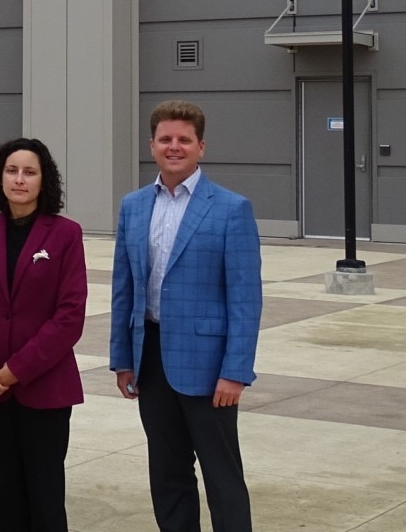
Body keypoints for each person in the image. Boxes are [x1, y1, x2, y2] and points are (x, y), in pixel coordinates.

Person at [110, 100, 262, 532]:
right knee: (167, 472)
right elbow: (125, 290)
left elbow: (245, 300)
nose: (174, 147)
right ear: (152, 145)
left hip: (208, 365)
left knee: (222, 475)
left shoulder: (231, 209)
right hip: (150, 357)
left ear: (200, 147)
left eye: (184, 140)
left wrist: (235, 371)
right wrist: (123, 358)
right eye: (165, 139)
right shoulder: (134, 206)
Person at [0, 138, 87, 532]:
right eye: (12, 171)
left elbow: (69, 316)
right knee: (3, 494)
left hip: (43, 387)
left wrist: (16, 370)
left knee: (45, 496)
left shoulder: (65, 234)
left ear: (44, 181)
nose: (20, 179)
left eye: (29, 172)